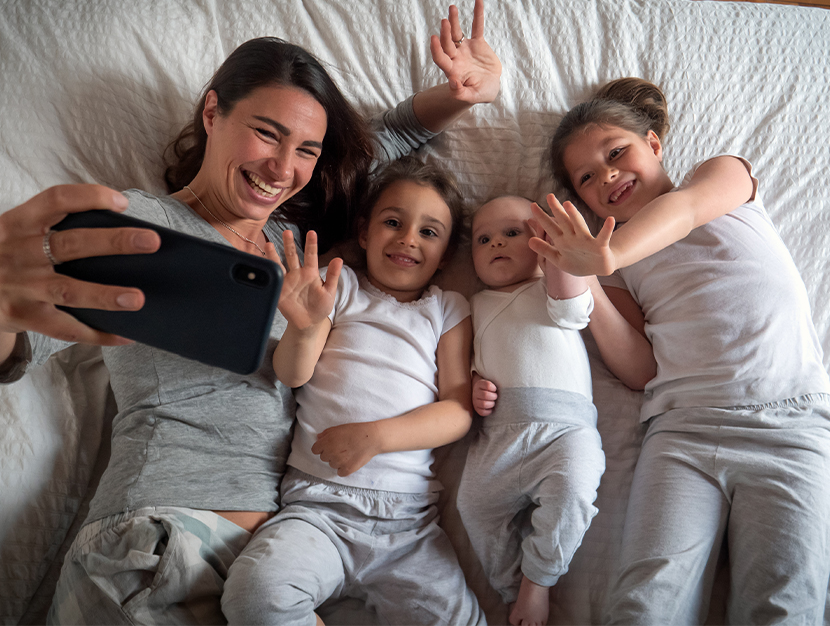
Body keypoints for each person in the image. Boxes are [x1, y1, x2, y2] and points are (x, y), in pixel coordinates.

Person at [0, 3, 502, 622]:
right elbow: (25, 335)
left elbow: (389, 145)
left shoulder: (296, 241)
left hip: (275, 559)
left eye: (306, 149)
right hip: (157, 546)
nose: (282, 168)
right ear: (213, 113)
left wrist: (460, 95)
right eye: (266, 133)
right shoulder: (143, 225)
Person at [530, 77, 830, 624]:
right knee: (645, 605)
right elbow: (641, 369)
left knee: (785, 605)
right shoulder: (618, 270)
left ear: (654, 144)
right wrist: (588, 277)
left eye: (616, 153)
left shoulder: (721, 176)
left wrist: (609, 254)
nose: (608, 176)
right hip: (684, 434)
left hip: (790, 422)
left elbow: (685, 211)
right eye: (587, 178)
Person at [221, 156, 483, 625]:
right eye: (393, 222)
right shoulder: (339, 288)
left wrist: (378, 437)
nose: (407, 239)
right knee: (254, 598)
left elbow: (458, 410)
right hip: (316, 509)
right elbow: (292, 373)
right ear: (364, 232)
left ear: (446, 254)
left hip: (408, 525)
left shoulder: (447, 308)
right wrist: (303, 325)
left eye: (428, 232)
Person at [455, 195, 605, 626]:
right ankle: (511, 586)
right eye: (483, 239)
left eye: (511, 233)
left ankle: (538, 583)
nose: (496, 243)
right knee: (473, 506)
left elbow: (573, 310)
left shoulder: (550, 287)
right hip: (497, 436)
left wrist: (556, 258)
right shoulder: (472, 305)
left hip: (565, 432)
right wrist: (475, 384)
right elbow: (469, 359)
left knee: (573, 493)